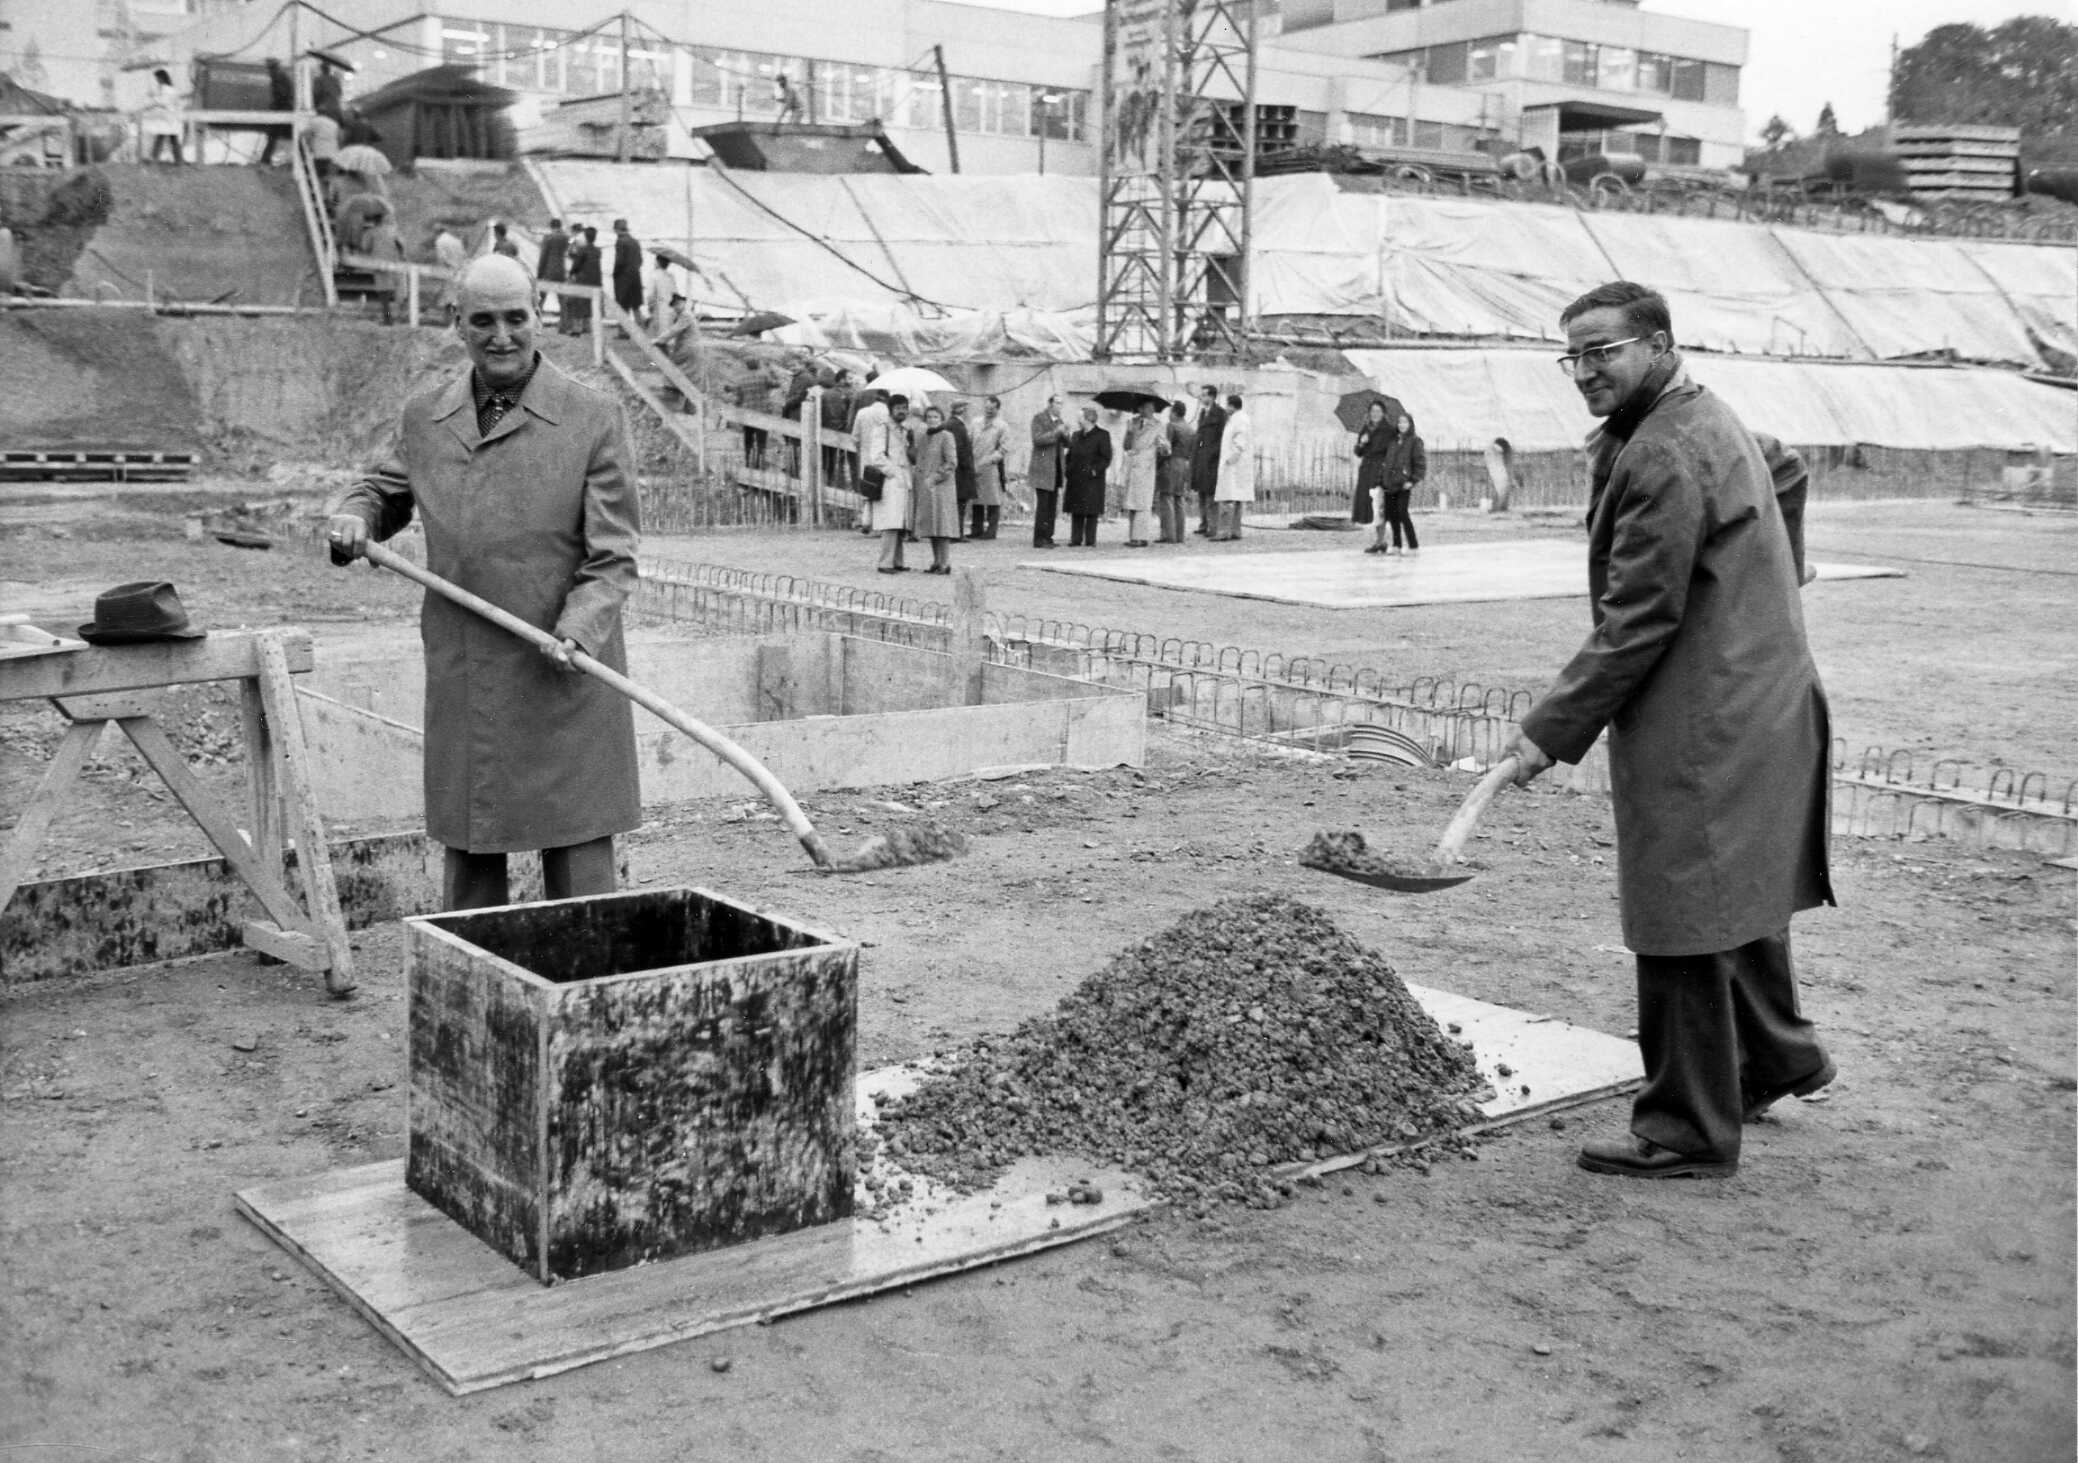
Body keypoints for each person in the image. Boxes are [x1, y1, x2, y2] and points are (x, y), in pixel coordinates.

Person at [1504, 280, 1835, 1181]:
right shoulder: (1705, 418)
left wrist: (1545, 732)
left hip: (1707, 718)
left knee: (1681, 906)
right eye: (1572, 356)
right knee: (1737, 888)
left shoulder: (1664, 454)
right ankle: (1776, 1058)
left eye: (1603, 352)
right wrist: (1766, 593)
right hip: (1759, 695)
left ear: (1658, 344)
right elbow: (1789, 466)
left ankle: (1688, 1126)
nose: (1584, 372)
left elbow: (1637, 620)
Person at [323, 255, 642, 912]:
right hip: (469, 670)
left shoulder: (593, 418)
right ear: (457, 325)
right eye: (484, 321)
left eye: (516, 318)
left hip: (563, 671)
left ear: (538, 317)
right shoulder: (425, 417)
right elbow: (380, 488)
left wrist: (579, 627)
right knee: (473, 844)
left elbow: (612, 558)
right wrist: (355, 516)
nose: (502, 336)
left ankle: (586, 985)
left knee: (578, 854)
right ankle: (473, 979)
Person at [855, 390, 913, 573]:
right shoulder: (882, 429)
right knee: (890, 521)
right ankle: (885, 562)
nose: (902, 412)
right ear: (890, 410)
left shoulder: (905, 431)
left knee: (900, 521)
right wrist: (893, 472)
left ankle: (897, 561)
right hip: (890, 480)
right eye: (898, 408)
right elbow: (877, 456)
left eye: (905, 408)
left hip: (904, 478)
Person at [914, 405, 961, 573]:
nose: (932, 420)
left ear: (941, 419)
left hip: (942, 487)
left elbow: (951, 462)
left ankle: (945, 562)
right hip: (927, 487)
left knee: (942, 526)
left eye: (935, 416)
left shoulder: (947, 436)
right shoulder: (924, 437)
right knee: (931, 525)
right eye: (928, 417)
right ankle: (936, 560)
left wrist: (935, 477)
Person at [1376, 410, 1426, 555]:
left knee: (1403, 513)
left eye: (1405, 422)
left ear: (1410, 424)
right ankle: (1397, 545)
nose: (1402, 425)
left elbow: (1420, 463)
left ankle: (1413, 546)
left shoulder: (1415, 441)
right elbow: (1385, 462)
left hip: (1404, 483)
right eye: (1399, 422)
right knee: (1392, 515)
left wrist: (1413, 480)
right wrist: (1381, 480)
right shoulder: (1392, 441)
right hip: (1389, 483)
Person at [1064, 404, 1112, 547]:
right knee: (1076, 508)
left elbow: (1106, 457)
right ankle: (1075, 539)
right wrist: (1068, 469)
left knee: (1091, 509)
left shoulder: (1103, 435)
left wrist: (1095, 470)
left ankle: (1090, 540)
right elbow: (1070, 455)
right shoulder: (1076, 435)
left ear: (1088, 419)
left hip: (1092, 479)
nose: (1078, 420)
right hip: (1076, 477)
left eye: (1080, 417)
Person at [1120, 400, 1165, 547]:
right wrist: (1128, 433)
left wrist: (1163, 446)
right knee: (1132, 502)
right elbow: (1126, 446)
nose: (1146, 410)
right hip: (1133, 465)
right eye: (1143, 407)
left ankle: (1141, 537)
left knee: (1143, 503)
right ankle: (1134, 536)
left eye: (1149, 408)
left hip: (1146, 466)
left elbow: (1165, 448)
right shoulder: (1133, 422)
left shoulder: (1157, 425)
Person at [1212, 393, 1252, 540]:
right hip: (1235, 465)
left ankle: (1224, 532)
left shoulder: (1240, 420)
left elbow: (1240, 441)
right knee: (1235, 498)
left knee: (1228, 499)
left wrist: (1231, 458)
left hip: (1234, 465)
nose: (1225, 408)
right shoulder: (1236, 419)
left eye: (1227, 405)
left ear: (1232, 405)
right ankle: (1235, 530)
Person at [1028, 395, 1068, 548]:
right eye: (1058, 403)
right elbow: (1038, 439)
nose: (1060, 407)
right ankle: (1039, 539)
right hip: (1043, 468)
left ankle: (1048, 536)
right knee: (1043, 505)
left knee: (1052, 506)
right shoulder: (1039, 419)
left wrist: (1065, 434)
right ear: (1050, 404)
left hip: (1056, 468)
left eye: (1061, 404)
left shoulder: (1060, 422)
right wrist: (1056, 432)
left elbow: (1067, 443)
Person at [1352, 400, 1391, 551]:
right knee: (1372, 506)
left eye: (1378, 411)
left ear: (1383, 413)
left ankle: (1382, 541)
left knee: (1379, 504)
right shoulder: (1365, 429)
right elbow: (1358, 452)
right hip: (1367, 471)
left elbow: (1391, 451)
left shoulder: (1388, 430)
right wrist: (1362, 443)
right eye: (1373, 411)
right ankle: (1379, 541)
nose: (1375, 414)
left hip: (1380, 470)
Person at [969, 394, 1008, 540]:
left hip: (991, 466)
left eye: (992, 408)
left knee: (993, 499)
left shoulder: (1002, 426)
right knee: (976, 498)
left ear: (998, 409)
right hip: (975, 463)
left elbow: (1004, 447)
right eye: (987, 408)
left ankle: (991, 531)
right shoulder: (975, 423)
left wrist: (993, 458)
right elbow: (969, 439)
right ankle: (976, 529)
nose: (989, 411)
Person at [1157, 399, 1195, 544]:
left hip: (1171, 463)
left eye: (1170, 412)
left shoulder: (1171, 426)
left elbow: (1166, 449)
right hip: (1185, 464)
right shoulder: (1190, 428)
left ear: (1175, 413)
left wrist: (1159, 461)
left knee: (1166, 497)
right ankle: (1180, 535)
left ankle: (1168, 535)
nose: (1169, 415)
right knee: (1179, 498)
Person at [1191, 384, 1225, 535]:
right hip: (1201, 458)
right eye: (1201, 395)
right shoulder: (1203, 413)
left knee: (1211, 493)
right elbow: (1200, 435)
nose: (1202, 397)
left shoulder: (1220, 413)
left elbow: (1223, 438)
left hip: (1212, 460)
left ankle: (1213, 526)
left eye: (1204, 395)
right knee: (1202, 493)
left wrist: (1213, 453)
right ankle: (1203, 523)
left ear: (1212, 396)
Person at [361, 206, 405, 325]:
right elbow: (401, 244)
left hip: (379, 265)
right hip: (394, 263)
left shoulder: (371, 232)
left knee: (383, 293)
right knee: (398, 290)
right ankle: (400, 316)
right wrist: (401, 256)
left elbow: (365, 247)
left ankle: (388, 318)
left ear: (374, 221)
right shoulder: (393, 230)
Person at [820, 368, 857, 490]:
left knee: (827, 461)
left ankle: (827, 485)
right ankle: (840, 487)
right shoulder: (850, 395)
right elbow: (850, 415)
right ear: (842, 380)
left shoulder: (825, 394)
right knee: (841, 462)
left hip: (825, 431)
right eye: (850, 378)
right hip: (842, 432)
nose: (852, 381)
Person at [948, 401, 977, 537]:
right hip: (961, 471)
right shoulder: (958, 426)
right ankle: (957, 533)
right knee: (960, 503)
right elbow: (961, 450)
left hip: (955, 469)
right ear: (961, 410)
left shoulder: (949, 424)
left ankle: (955, 532)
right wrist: (969, 467)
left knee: (955, 503)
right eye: (965, 408)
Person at [143, 68, 184, 165]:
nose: (157, 80)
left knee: (164, 138)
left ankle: (155, 159)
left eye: (157, 78)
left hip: (169, 118)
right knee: (171, 139)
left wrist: (152, 99)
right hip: (169, 118)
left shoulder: (167, 89)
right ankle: (178, 160)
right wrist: (154, 96)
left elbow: (162, 101)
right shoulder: (166, 89)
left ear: (161, 78)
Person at [256, 57, 292, 165]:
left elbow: (282, 94)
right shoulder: (280, 75)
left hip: (284, 109)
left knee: (274, 135)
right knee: (277, 135)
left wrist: (275, 106)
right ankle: (265, 159)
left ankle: (265, 159)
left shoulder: (278, 76)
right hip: (285, 108)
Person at [537, 218, 569, 329]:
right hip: (561, 270)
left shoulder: (548, 238)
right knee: (562, 299)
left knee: (541, 297)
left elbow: (543, 256)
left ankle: (536, 323)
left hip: (549, 270)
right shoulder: (565, 238)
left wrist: (539, 273)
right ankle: (564, 324)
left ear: (551, 226)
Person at [611, 218, 643, 329]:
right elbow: (640, 260)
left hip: (623, 278)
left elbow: (619, 261)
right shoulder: (635, 241)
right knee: (635, 306)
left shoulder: (620, 241)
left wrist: (615, 274)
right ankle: (641, 330)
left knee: (622, 306)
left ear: (617, 229)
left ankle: (623, 331)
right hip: (635, 276)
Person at [645, 253, 676, 333]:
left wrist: (650, 308)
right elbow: (675, 293)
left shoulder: (654, 275)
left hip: (659, 309)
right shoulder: (671, 276)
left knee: (658, 335)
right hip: (671, 309)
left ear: (658, 262)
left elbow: (650, 295)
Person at [312, 58, 343, 122]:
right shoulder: (335, 80)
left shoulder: (319, 79)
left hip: (324, 109)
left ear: (321, 69)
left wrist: (314, 105)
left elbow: (316, 93)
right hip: (335, 108)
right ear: (329, 69)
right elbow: (340, 93)